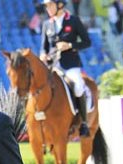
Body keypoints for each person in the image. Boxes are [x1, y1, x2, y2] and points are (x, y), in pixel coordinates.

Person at [40, 0, 91, 137]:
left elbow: (87, 42)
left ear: (60, 5)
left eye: (50, 5)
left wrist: (69, 45)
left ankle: (84, 122)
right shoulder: (47, 24)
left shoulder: (73, 21)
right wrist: (43, 55)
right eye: (46, 6)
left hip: (70, 64)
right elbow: (43, 48)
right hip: (52, 65)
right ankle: (39, 123)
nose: (47, 9)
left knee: (78, 86)